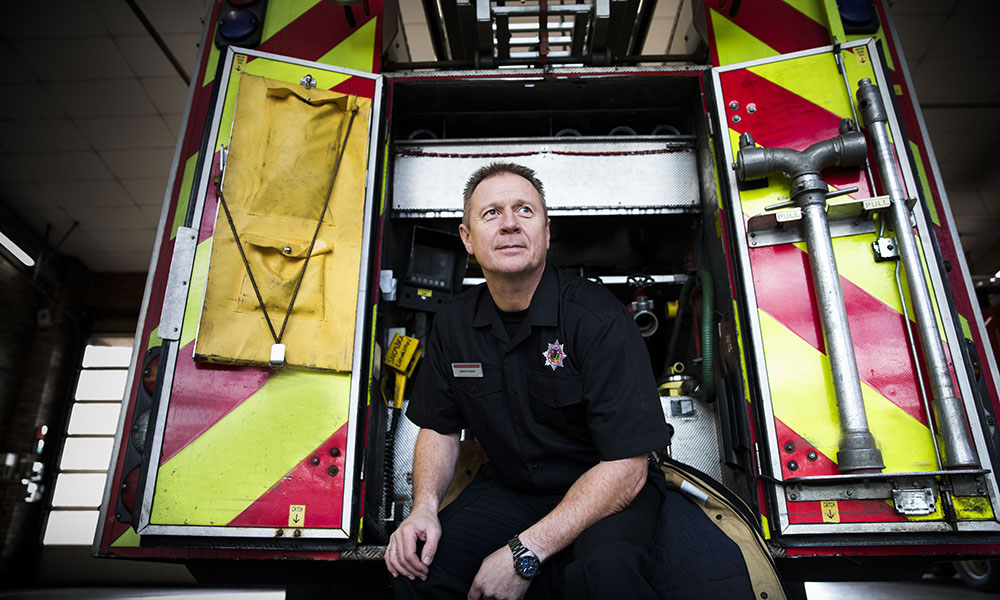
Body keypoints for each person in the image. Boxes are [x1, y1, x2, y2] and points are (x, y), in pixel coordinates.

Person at [384, 162, 671, 600]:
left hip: (606, 491)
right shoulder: (453, 324)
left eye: (524, 210)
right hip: (513, 487)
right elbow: (439, 427)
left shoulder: (597, 319)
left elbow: (628, 467)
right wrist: (423, 509)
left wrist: (526, 550)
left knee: (606, 579)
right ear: (467, 239)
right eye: (492, 213)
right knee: (416, 572)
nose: (510, 224)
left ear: (547, 231)